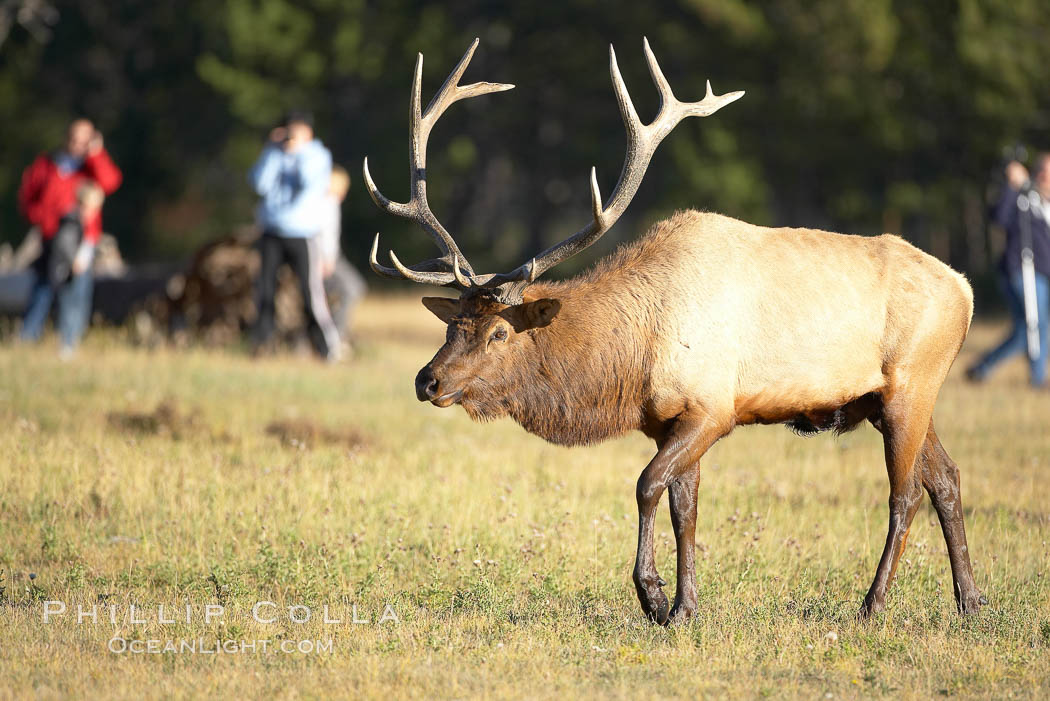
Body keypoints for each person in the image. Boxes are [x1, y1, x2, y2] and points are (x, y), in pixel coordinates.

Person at [17, 118, 122, 355]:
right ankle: (26, 340)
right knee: (42, 290)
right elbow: (27, 200)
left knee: (75, 293)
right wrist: (48, 219)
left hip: (82, 241)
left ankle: (69, 343)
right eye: (74, 139)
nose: (77, 144)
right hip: (51, 239)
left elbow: (110, 182)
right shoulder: (47, 164)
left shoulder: (91, 167)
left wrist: (96, 153)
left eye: (84, 140)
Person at [249, 110, 341, 361]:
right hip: (271, 234)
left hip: (302, 235)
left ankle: (325, 349)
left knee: (310, 293)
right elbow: (259, 184)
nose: (291, 137)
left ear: (308, 133)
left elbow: (309, 188)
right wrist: (272, 150)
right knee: (264, 290)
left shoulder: (318, 155)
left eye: (296, 131)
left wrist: (297, 153)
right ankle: (261, 345)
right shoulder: (275, 153)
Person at [967, 155, 1050, 387]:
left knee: (1027, 328)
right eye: (1044, 170)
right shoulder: (1024, 196)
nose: (1047, 176)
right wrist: (1012, 186)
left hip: (1042, 272)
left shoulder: (1044, 202)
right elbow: (999, 217)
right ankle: (1038, 379)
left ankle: (981, 369)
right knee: (1035, 324)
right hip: (1022, 269)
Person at [317, 165, 367, 346]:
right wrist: (325, 260)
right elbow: (323, 236)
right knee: (352, 289)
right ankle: (334, 338)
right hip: (326, 260)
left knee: (352, 289)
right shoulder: (326, 203)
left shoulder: (330, 203)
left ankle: (335, 334)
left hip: (332, 257)